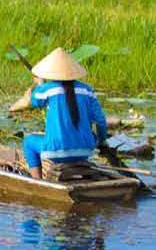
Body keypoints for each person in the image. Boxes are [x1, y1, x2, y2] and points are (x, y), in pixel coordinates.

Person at [9, 48, 108, 180]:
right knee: (92, 136)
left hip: (56, 151)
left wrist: (39, 84)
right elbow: (101, 121)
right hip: (86, 150)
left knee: (28, 142)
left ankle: (38, 181)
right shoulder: (87, 90)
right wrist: (101, 141)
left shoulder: (47, 90)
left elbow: (33, 100)